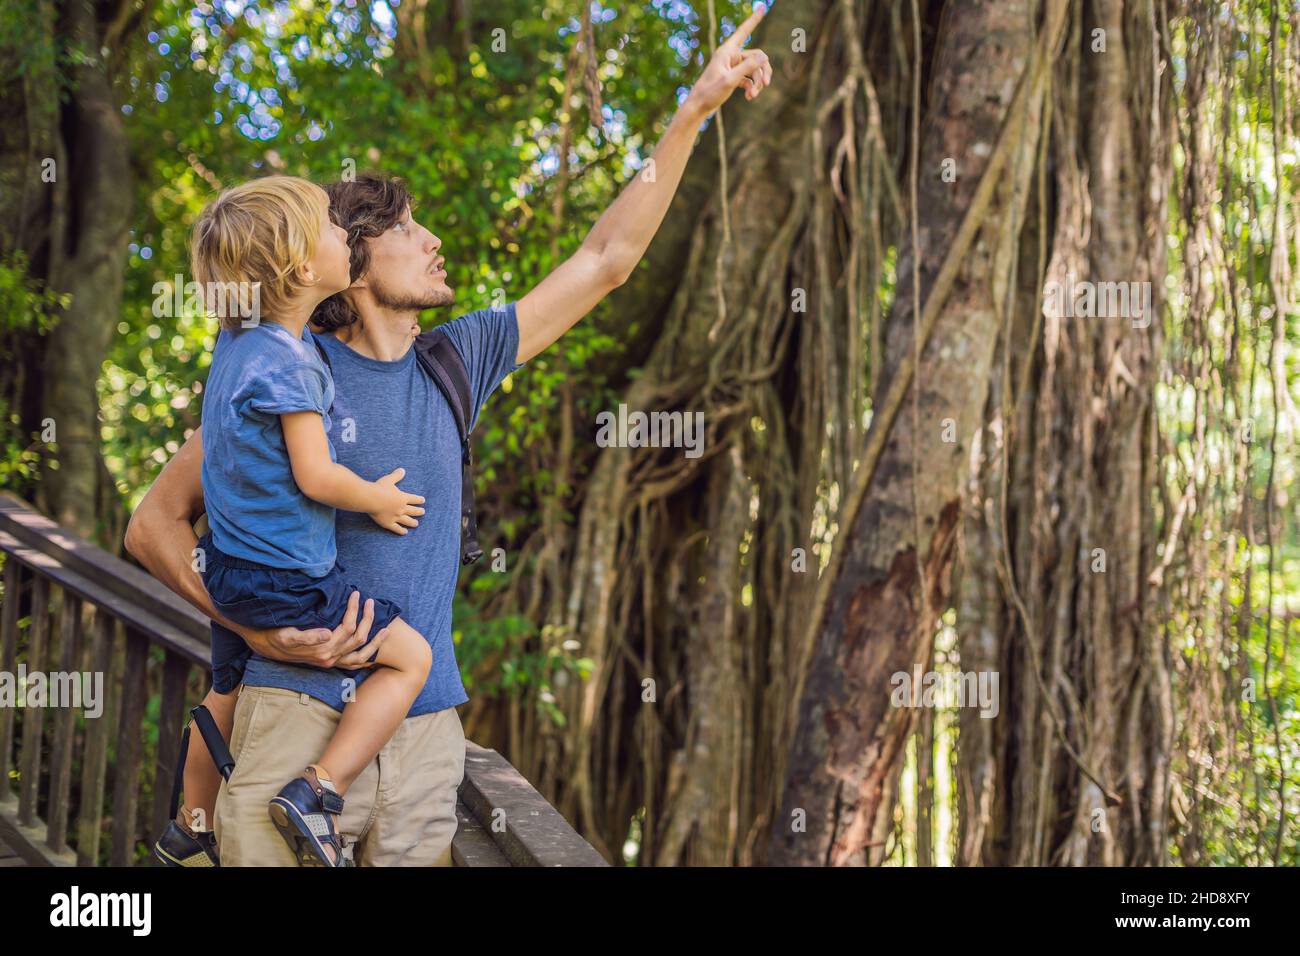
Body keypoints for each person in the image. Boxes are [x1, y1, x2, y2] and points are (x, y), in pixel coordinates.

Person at [125, 8, 772, 866]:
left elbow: (606, 259)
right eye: (406, 228)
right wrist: (247, 627)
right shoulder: (282, 372)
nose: (434, 242)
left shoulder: (455, 361)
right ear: (351, 259)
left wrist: (693, 110)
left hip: (423, 733)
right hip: (288, 718)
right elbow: (150, 525)